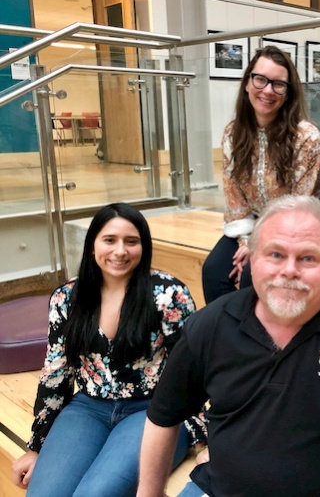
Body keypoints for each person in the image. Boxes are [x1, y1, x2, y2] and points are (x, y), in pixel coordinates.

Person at [138, 195, 320, 497]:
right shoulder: (211, 325)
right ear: (252, 258)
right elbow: (162, 417)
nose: (289, 270)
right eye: (275, 254)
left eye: (307, 258)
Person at [11, 203, 205, 497]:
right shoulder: (67, 297)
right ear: (92, 247)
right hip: (88, 408)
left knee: (96, 494)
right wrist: (37, 445)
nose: (120, 251)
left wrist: (207, 434)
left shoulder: (168, 293)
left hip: (153, 411)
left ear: (144, 246)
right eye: (110, 240)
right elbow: (56, 372)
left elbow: (195, 371)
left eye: (131, 241)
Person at [202, 45, 320, 304]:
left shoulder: (306, 137)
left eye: (278, 84)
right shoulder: (232, 133)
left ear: (288, 93)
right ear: (248, 82)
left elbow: (302, 205)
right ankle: (228, 339)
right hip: (249, 227)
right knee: (213, 272)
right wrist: (247, 240)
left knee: (252, 275)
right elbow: (234, 197)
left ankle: (257, 341)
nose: (268, 90)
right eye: (260, 80)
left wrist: (258, 245)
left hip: (292, 230)